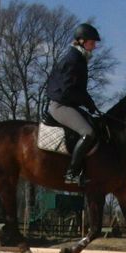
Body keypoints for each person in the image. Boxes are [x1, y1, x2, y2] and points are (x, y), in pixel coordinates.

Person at [46, 23, 101, 187]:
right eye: (92, 42)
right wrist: (86, 102)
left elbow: (78, 90)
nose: (95, 46)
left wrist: (90, 104)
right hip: (60, 105)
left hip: (67, 103)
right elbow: (69, 90)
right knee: (88, 132)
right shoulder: (73, 60)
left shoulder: (79, 58)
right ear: (82, 41)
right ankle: (71, 173)